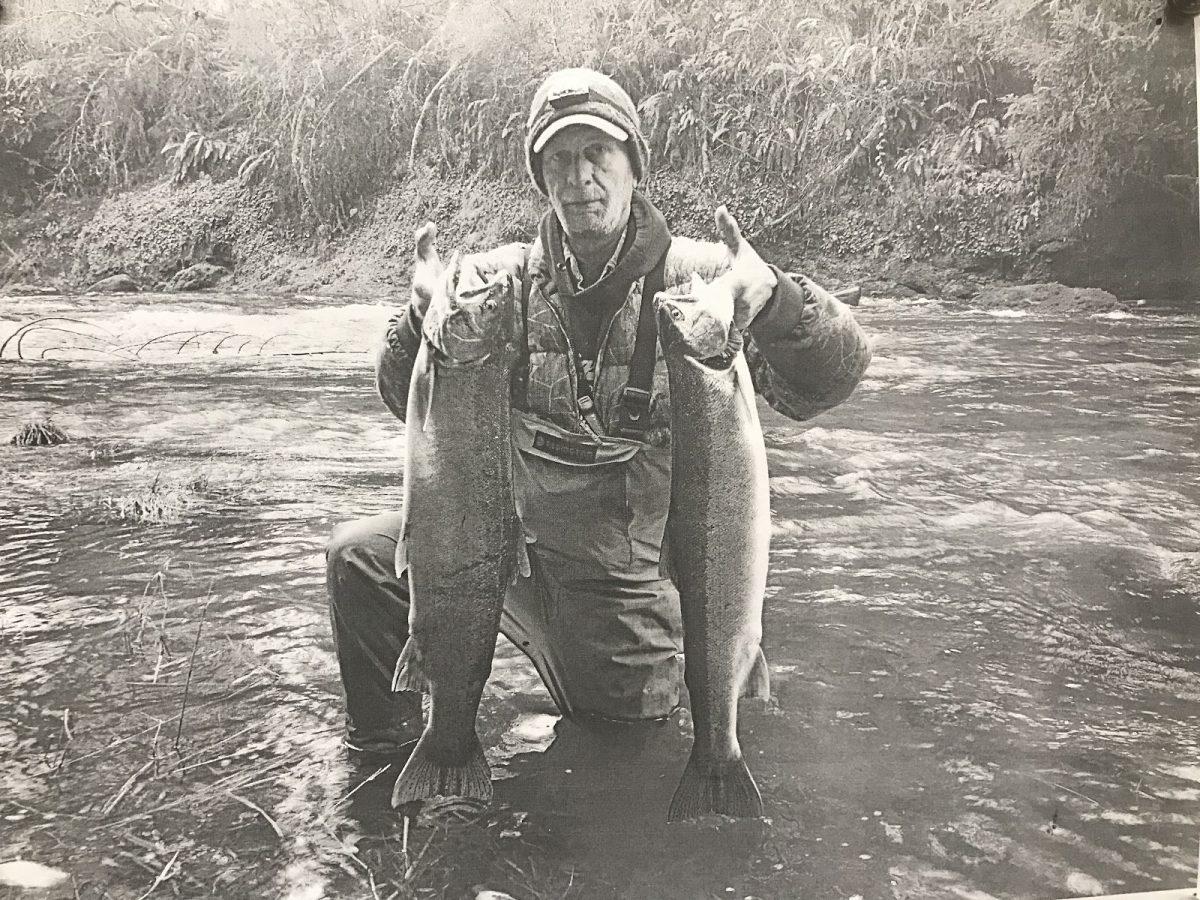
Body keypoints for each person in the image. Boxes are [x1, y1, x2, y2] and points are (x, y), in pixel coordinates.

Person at [326, 67, 873, 754]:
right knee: (361, 561)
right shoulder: (496, 285)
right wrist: (419, 320)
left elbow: (832, 379)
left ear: (632, 166)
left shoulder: (706, 282)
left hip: (622, 594)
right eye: (559, 159)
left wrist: (776, 299)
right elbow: (399, 396)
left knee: (623, 760)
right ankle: (398, 768)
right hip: (504, 554)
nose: (579, 176)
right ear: (541, 178)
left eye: (597, 154)